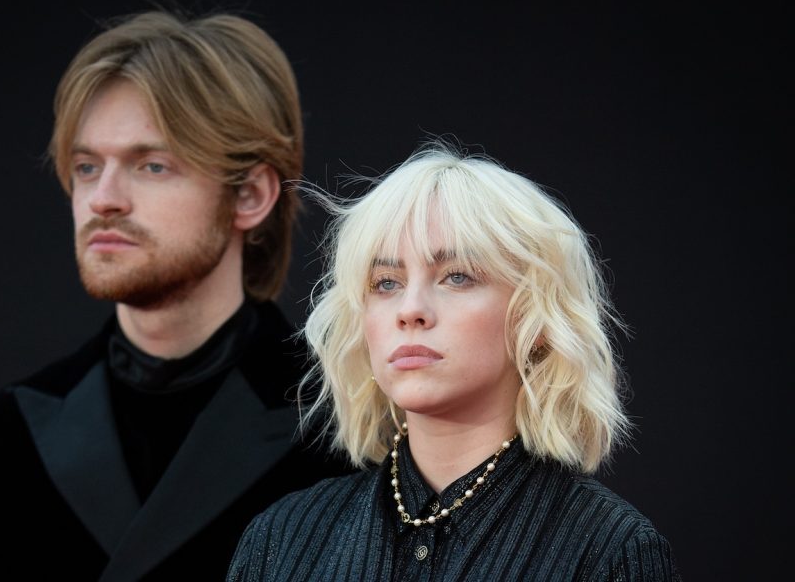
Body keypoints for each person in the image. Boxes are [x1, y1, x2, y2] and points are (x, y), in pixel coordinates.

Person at [0, 11, 351, 581]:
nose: (103, 198)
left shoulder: (348, 425)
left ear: (250, 195)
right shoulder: (0, 441)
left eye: (151, 165)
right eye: (86, 166)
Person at [227, 144, 681, 581]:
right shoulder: (281, 540)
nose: (411, 309)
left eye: (457, 276)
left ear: (536, 315)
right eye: (386, 282)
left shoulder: (609, 553)